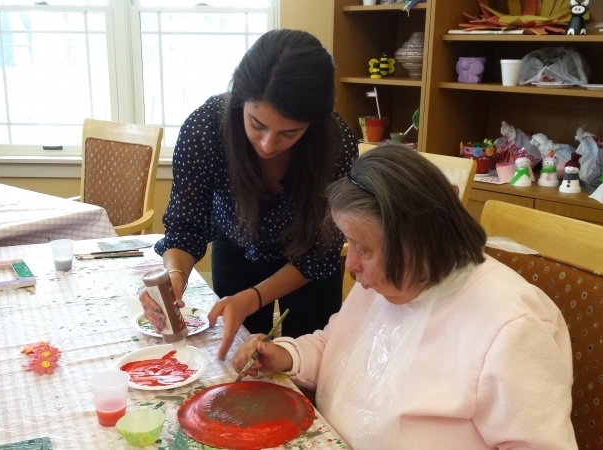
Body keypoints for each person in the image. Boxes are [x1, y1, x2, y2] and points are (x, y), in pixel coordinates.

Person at [231, 145, 577, 449]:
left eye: (364, 249)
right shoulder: (389, 282)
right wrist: (286, 355)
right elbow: (335, 347)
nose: (350, 264)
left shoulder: (511, 328)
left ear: (418, 243)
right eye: (350, 244)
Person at [139, 29, 358, 360]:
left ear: (314, 123)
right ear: (240, 99)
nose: (268, 145)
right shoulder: (205, 128)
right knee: (237, 359)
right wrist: (175, 277)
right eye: (257, 124)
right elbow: (185, 228)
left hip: (309, 263)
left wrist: (252, 297)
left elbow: (319, 255)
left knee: (309, 362)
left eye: (289, 133)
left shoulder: (336, 143)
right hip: (237, 247)